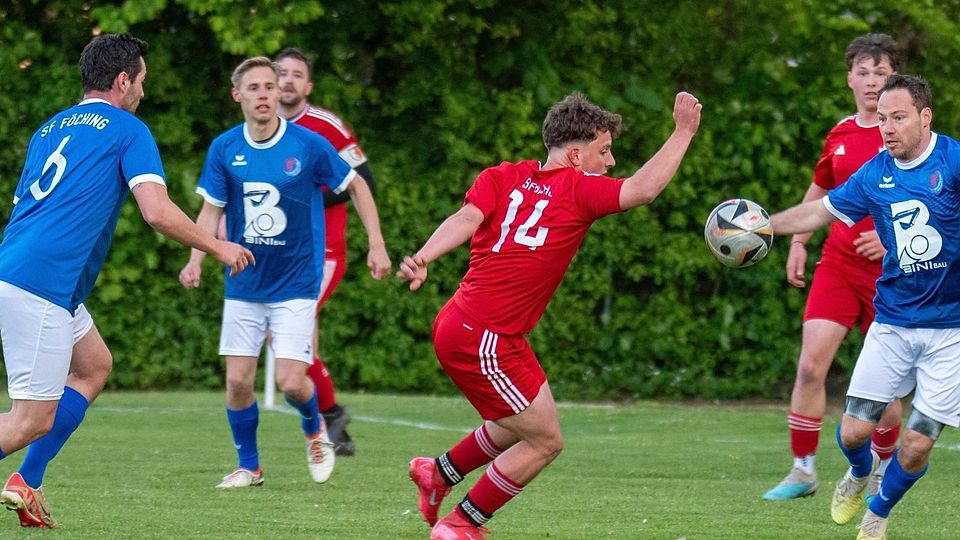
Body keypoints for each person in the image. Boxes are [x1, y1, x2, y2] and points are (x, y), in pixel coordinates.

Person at [398, 91, 701, 539]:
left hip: (474, 326)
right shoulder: (578, 188)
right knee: (545, 440)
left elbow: (465, 219)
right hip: (486, 336)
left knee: (519, 421)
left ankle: (438, 474)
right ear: (576, 155)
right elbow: (645, 188)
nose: (611, 161)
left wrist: (424, 256)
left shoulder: (503, 175)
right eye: (604, 151)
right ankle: (461, 525)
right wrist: (683, 131)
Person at [0, 33, 254, 528]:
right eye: (141, 81)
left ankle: (26, 481)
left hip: (26, 272)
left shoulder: (49, 128)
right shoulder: (127, 129)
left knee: (94, 366)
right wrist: (219, 245)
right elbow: (157, 213)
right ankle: (24, 477)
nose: (142, 92)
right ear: (123, 80)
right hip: (41, 284)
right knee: (30, 420)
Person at [177, 57, 390, 489]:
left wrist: (377, 244)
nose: (263, 95)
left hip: (295, 281)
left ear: (279, 94)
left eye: (269, 87)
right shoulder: (224, 148)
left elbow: (357, 184)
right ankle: (249, 467)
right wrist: (197, 258)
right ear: (237, 95)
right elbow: (211, 210)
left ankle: (315, 430)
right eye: (253, 88)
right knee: (237, 381)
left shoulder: (308, 145)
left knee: (291, 381)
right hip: (244, 282)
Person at [770, 74, 960, 540]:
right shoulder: (875, 173)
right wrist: (761, 226)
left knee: (916, 445)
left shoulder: (954, 161)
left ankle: (878, 513)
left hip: (952, 330)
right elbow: (819, 212)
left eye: (899, 118)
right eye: (882, 120)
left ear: (924, 116)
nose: (888, 128)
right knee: (854, 433)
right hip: (893, 322)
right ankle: (857, 474)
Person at [763, 33, 904, 502]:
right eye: (862, 72)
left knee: (881, 390)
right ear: (849, 79)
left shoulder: (905, 135)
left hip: (894, 274)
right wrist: (799, 240)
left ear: (894, 79)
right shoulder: (841, 133)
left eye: (880, 73)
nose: (870, 81)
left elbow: (931, 201)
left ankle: (884, 471)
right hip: (838, 265)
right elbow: (821, 190)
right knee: (809, 367)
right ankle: (802, 471)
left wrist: (890, 241)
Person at [274, 47, 377, 456]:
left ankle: (327, 419)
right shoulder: (260, 129)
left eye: (296, 74)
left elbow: (361, 179)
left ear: (308, 85)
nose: (287, 81)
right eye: (280, 73)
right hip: (280, 253)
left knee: (287, 331)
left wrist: (306, 197)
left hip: (323, 252)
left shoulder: (325, 126)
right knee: (298, 342)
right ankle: (335, 420)